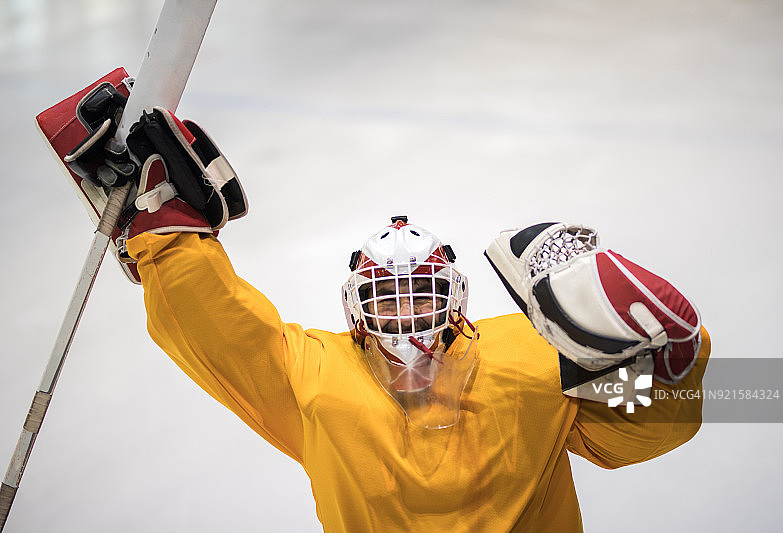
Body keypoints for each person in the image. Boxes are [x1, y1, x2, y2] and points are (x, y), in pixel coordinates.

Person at [48, 78, 710, 532]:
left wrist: (673, 367)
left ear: (454, 298)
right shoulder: (315, 376)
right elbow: (224, 332)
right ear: (357, 308)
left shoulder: (533, 356)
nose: (406, 315)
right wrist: (168, 237)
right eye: (389, 300)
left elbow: (649, 428)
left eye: (421, 294)